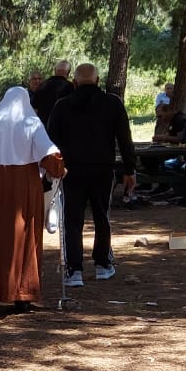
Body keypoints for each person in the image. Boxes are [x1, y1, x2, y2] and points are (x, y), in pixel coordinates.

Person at [0, 87, 65, 318]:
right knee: (24, 237)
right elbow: (50, 154)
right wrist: (59, 169)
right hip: (23, 185)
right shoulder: (30, 123)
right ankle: (22, 293)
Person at [46, 63, 136, 285]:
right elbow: (125, 138)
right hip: (102, 169)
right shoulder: (112, 103)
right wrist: (130, 169)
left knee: (72, 220)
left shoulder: (62, 105)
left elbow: (51, 140)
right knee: (102, 217)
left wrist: (52, 169)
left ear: (74, 82)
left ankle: (74, 270)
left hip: (71, 171)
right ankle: (102, 265)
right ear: (98, 80)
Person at [30, 60, 74, 125]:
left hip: (42, 127)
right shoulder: (70, 87)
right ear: (68, 73)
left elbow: (34, 110)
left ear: (55, 70)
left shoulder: (42, 86)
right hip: (61, 126)